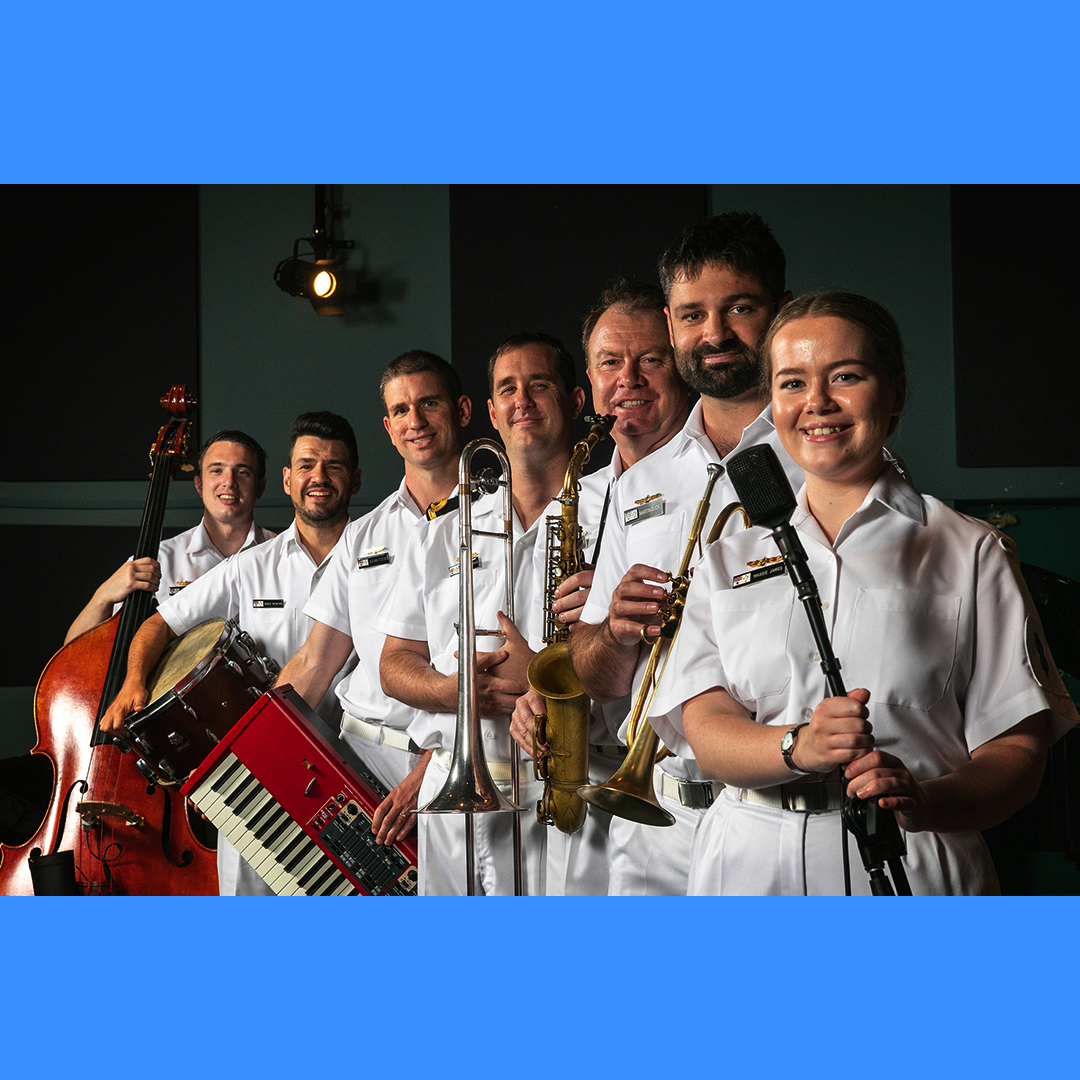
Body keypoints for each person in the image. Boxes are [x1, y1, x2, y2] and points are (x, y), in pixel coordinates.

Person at [650, 291, 1078, 894]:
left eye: (845, 377)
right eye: (792, 383)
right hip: (745, 866)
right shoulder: (727, 557)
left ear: (896, 392)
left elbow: (1017, 753)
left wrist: (924, 802)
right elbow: (707, 729)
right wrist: (799, 745)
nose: (817, 404)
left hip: (916, 858)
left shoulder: (971, 551)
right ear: (772, 404)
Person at [570, 211, 804, 895]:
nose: (716, 334)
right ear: (672, 327)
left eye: (740, 308)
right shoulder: (640, 483)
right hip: (657, 813)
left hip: (785, 803)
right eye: (694, 315)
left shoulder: (827, 461)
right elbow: (598, 675)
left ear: (781, 312)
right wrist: (612, 629)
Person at [100, 412, 363, 895]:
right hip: (258, 776)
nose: (318, 479)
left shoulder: (379, 554)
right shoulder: (249, 566)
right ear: (286, 481)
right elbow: (159, 624)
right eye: (306, 466)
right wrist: (134, 681)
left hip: (361, 771)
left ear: (356, 479)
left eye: (334, 467)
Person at [378, 332, 592, 895]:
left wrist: (543, 675)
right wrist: (455, 691)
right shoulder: (445, 529)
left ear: (574, 401)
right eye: (507, 389)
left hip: (564, 787)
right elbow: (394, 664)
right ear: (491, 412)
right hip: (453, 792)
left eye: (538, 385)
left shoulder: (613, 515)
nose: (522, 400)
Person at [511, 278, 691, 895]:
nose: (630, 379)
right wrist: (533, 695)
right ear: (590, 382)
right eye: (611, 362)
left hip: (691, 778)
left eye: (652, 359)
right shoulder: (574, 503)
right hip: (586, 772)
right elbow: (554, 648)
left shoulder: (713, 479)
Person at [276, 352, 471, 858]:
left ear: (463, 411)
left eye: (429, 403)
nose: (416, 421)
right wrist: (249, 751)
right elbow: (315, 661)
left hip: (451, 761)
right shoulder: (363, 535)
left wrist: (433, 770)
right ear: (388, 427)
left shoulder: (503, 521)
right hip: (355, 758)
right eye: (401, 410)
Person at [64, 430, 274, 644]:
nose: (228, 482)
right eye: (216, 470)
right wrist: (102, 598)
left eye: (242, 472)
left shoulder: (284, 556)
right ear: (199, 485)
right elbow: (73, 654)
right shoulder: (157, 559)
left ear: (260, 487)